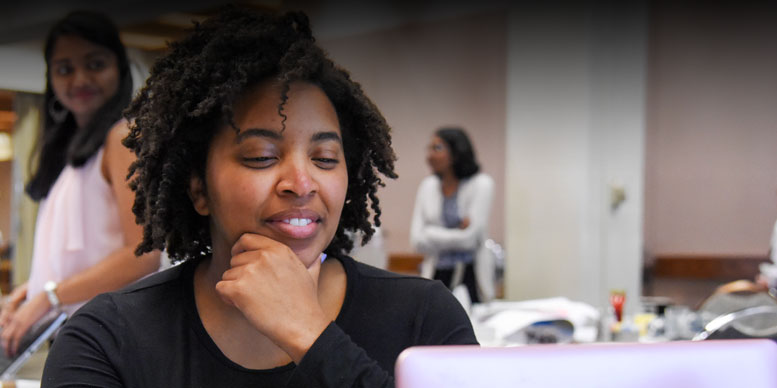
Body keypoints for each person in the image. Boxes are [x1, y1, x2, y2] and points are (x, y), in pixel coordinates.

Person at [42, 8, 477, 387]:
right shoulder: (105, 339)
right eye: (261, 157)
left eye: (325, 158)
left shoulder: (424, 317)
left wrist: (311, 335)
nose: (301, 183)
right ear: (199, 189)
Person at [0, 11, 161, 356]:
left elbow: (144, 254)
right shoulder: (77, 151)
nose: (80, 78)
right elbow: (91, 251)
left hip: (117, 337)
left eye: (95, 63)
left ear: (118, 67)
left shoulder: (121, 138)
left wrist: (49, 295)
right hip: (88, 333)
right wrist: (34, 288)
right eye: (65, 69)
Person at [410, 127, 495, 304]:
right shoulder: (427, 186)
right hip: (437, 273)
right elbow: (417, 241)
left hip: (471, 275)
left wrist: (430, 232)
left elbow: (469, 240)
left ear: (457, 153)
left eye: (437, 148)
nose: (429, 155)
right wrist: (457, 231)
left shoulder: (482, 185)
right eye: (429, 148)